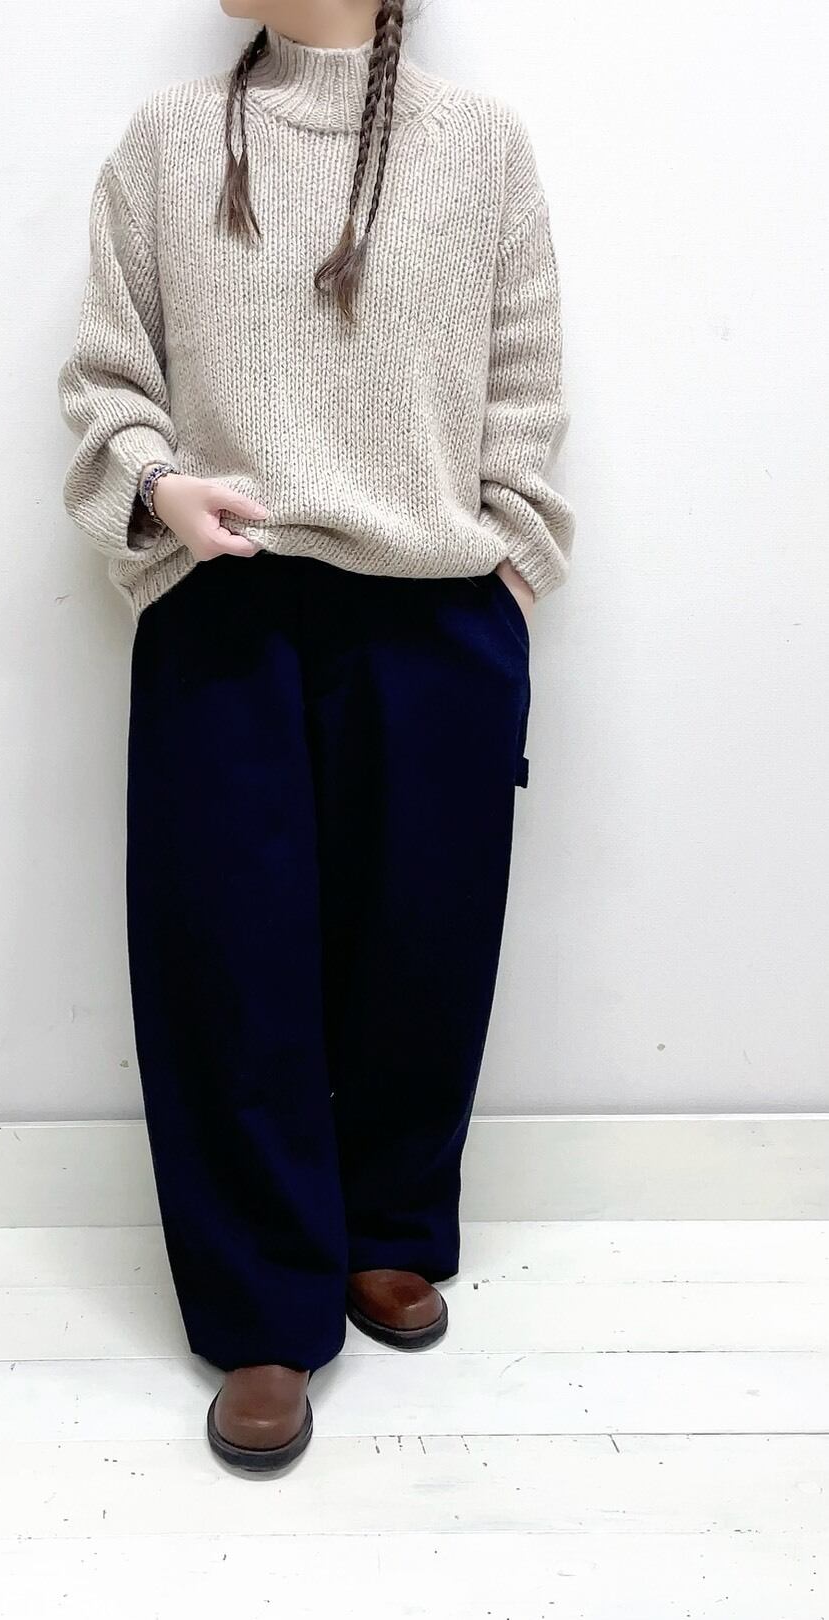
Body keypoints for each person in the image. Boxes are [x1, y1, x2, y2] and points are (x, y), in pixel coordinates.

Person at [56, 0, 574, 1475]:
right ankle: (262, 1308)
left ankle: (389, 1222)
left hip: (437, 606)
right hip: (227, 600)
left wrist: (507, 570)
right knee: (229, 960)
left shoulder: (480, 147)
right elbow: (108, 371)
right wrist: (156, 486)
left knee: (424, 940)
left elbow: (525, 386)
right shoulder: (169, 141)